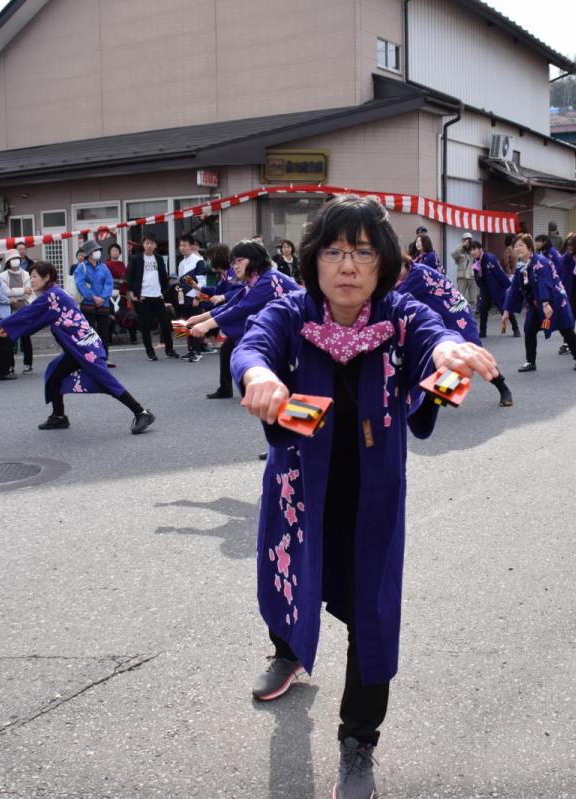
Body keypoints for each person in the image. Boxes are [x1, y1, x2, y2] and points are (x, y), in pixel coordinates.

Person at [232, 196, 497, 799]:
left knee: (369, 615)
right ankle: (288, 650)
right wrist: (260, 377)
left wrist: (448, 355)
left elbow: (436, 339)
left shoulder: (400, 316)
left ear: (382, 264)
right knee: (290, 575)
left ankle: (359, 741)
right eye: (333, 250)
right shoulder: (290, 313)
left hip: (372, 492)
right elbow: (251, 347)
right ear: (313, 259)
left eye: (361, 251)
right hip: (301, 485)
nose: (347, 265)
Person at [0, 261, 155, 434]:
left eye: (34, 276)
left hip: (85, 347)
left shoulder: (53, 295)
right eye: (30, 277)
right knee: (54, 373)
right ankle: (59, 417)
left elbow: (27, 313)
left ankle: (141, 412)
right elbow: (36, 321)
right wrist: (9, 331)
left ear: (47, 277)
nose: (31, 281)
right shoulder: (52, 296)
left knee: (105, 380)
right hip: (78, 348)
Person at [396, 253, 513, 406]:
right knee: (448, 357)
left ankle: (503, 388)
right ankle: (438, 398)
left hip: (457, 314)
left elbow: (395, 298)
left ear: (404, 263)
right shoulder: (406, 276)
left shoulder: (416, 274)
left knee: (471, 352)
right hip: (441, 318)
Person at [185, 239, 301, 355]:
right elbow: (233, 303)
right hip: (283, 331)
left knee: (235, 351)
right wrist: (199, 318)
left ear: (255, 259)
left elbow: (241, 308)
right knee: (229, 349)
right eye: (233, 262)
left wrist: (206, 325)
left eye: (239, 261)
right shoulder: (256, 279)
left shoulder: (269, 280)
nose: (235, 266)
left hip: (302, 332)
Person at [503, 233, 576, 372]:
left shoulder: (540, 262)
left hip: (555, 302)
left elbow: (544, 283)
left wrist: (546, 303)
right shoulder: (521, 266)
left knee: (566, 329)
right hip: (536, 305)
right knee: (529, 329)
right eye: (515, 246)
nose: (518, 249)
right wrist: (506, 310)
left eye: (521, 245)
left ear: (529, 248)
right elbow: (514, 289)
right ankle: (530, 362)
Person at [202, 243, 244, 399]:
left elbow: (240, 291)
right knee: (228, 351)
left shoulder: (233, 272)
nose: (209, 262)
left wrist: (224, 297)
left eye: (210, 258)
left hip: (243, 319)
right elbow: (216, 291)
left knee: (239, 354)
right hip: (236, 318)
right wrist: (199, 288)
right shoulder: (225, 274)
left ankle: (243, 388)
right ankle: (227, 388)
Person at [126, 233, 178, 360]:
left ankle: (169, 350)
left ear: (155, 245)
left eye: (151, 243)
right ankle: (150, 352)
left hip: (157, 296)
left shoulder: (159, 259)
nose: (149, 245)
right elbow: (129, 278)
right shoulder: (136, 259)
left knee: (165, 325)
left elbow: (164, 277)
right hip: (143, 297)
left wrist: (163, 294)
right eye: (146, 243)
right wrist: (133, 295)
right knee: (145, 327)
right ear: (143, 244)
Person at [471, 240, 517, 338]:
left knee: (505, 308)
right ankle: (482, 332)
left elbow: (499, 272)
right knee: (483, 309)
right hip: (485, 289)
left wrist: (508, 286)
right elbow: (477, 277)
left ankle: (516, 328)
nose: (472, 252)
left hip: (497, 288)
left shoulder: (489, 258)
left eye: (474, 249)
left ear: (480, 249)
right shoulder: (475, 261)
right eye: (470, 250)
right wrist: (480, 286)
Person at [173, 235, 208, 361]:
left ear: (191, 246)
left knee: (195, 324)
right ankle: (190, 349)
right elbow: (181, 282)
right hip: (183, 297)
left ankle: (197, 352)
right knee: (185, 324)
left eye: (185, 245)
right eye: (180, 245)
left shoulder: (199, 261)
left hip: (194, 297)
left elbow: (202, 282)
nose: (182, 248)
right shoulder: (181, 263)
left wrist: (198, 298)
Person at [0, 254, 35, 373]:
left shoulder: (25, 273)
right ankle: (10, 365)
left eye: (17, 259)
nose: (15, 261)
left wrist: (17, 293)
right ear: (8, 261)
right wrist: (22, 291)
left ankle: (28, 364)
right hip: (9, 310)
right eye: (12, 259)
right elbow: (5, 292)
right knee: (10, 338)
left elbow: (29, 292)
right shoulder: (2, 276)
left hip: (24, 309)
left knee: (26, 337)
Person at [451, 232, 479, 312]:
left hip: (472, 277)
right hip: (462, 277)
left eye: (469, 240)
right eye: (465, 240)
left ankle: (472, 314)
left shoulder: (473, 250)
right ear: (462, 240)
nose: (467, 242)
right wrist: (462, 245)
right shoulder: (459, 250)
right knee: (460, 297)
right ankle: (460, 314)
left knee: (473, 299)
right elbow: (453, 255)